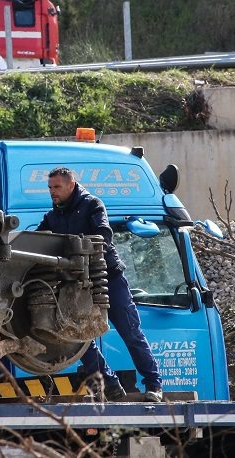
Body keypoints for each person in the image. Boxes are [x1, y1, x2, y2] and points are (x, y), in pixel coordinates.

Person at [37, 167, 163, 403]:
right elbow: (37, 239)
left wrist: (86, 253)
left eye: (56, 187)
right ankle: (110, 385)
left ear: (71, 185)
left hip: (108, 279)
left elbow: (104, 233)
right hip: (76, 285)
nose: (52, 192)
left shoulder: (92, 205)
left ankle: (154, 385)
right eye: (50, 188)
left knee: (131, 333)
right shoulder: (53, 216)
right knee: (80, 341)